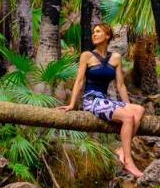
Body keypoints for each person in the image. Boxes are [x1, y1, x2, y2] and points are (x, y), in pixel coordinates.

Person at [59, 22, 145, 178]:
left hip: (104, 100)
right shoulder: (87, 55)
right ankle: (128, 161)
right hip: (91, 100)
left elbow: (120, 85)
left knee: (138, 110)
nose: (94, 34)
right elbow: (78, 82)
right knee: (128, 117)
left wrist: (128, 105)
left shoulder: (116, 58)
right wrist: (72, 104)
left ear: (108, 35)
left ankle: (121, 149)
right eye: (93, 32)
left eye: (98, 31)